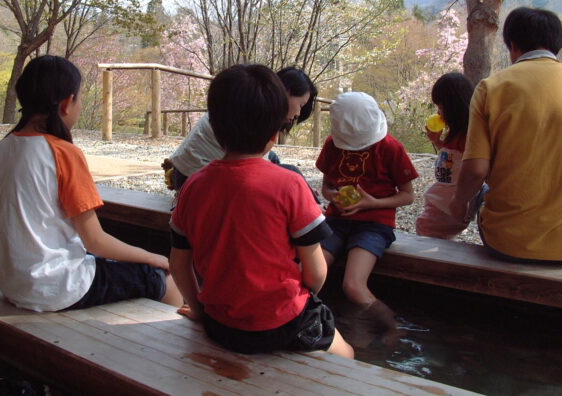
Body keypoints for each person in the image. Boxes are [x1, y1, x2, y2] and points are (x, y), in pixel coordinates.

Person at [169, 64, 353, 358]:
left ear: (214, 126)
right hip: (283, 323)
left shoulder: (192, 187)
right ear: (275, 131)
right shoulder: (290, 184)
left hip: (220, 324)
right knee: (347, 356)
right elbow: (317, 272)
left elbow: (179, 264)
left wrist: (201, 310)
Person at [0, 56, 181, 311]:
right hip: (56, 286)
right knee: (165, 278)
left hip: (12, 283)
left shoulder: (3, 147)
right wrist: (155, 258)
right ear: (67, 103)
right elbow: (95, 241)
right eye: (79, 98)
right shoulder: (62, 152)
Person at [449, 7, 562, 263]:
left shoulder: (491, 88)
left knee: (484, 192)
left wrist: (458, 203)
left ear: (512, 45)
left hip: (504, 242)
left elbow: (475, 171)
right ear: (556, 44)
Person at [317, 92, 418, 339]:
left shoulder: (391, 147)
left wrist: (373, 203)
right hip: (336, 220)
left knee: (353, 286)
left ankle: (394, 328)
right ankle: (315, 325)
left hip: (373, 224)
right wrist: (333, 196)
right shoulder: (332, 144)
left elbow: (407, 195)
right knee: (312, 275)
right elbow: (327, 187)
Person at [162, 66, 318, 190]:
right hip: (194, 181)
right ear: (287, 92)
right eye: (300, 105)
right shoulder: (256, 114)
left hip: (186, 173)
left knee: (275, 160)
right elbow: (252, 170)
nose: (297, 113)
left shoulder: (248, 102)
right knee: (291, 174)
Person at [416, 73, 480, 239]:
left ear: (454, 108)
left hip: (451, 203)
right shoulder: (455, 134)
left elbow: (473, 169)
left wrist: (460, 202)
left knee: (425, 228)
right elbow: (452, 159)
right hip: (443, 201)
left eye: (441, 108)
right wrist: (438, 142)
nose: (438, 113)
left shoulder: (468, 136)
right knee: (427, 229)